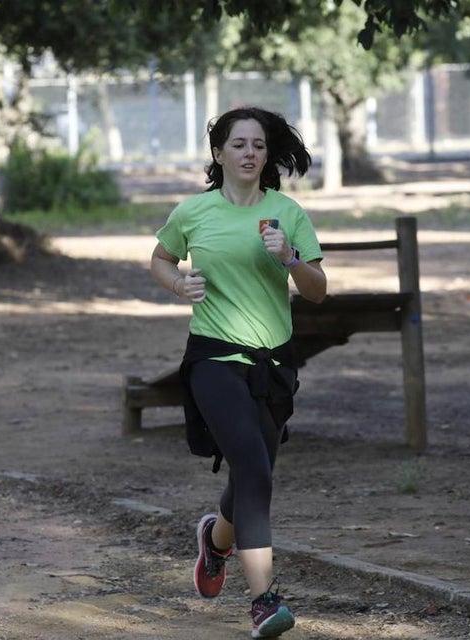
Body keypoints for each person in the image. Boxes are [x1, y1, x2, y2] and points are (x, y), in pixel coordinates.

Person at [149, 106, 327, 638]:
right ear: (219, 153)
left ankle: (216, 542)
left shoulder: (286, 213)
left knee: (255, 472)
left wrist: (291, 258)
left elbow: (318, 290)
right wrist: (178, 284)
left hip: (273, 364)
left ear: (267, 155)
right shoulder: (194, 212)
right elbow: (160, 258)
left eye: (258, 145)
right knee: (253, 470)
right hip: (214, 359)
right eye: (239, 144)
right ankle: (264, 602)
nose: (250, 153)